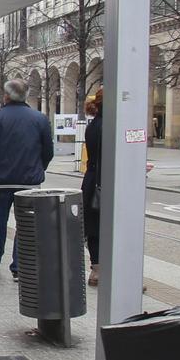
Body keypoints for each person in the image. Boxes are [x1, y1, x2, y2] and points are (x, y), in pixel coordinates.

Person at [0, 79, 54, 279]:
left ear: (6, 96)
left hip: (1, 181)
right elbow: (48, 151)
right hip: (29, 181)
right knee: (25, 223)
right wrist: (38, 169)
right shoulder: (40, 119)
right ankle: (19, 266)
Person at [83, 89, 104, 287]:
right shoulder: (111, 125)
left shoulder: (93, 125)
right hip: (105, 183)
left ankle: (96, 270)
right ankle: (120, 272)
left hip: (92, 182)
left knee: (94, 228)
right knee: (113, 228)